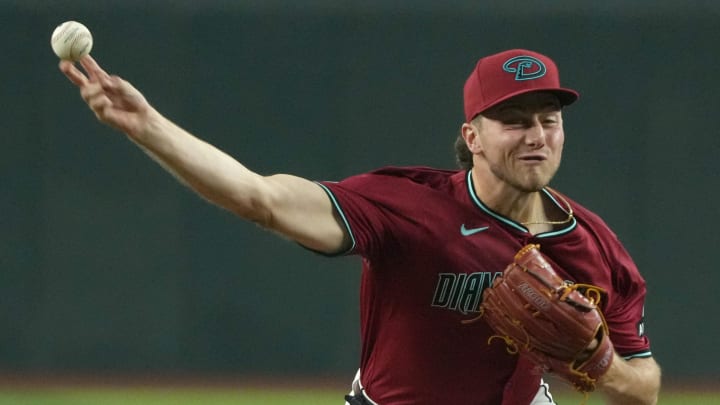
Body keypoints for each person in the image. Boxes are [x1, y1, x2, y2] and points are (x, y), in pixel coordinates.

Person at [59, 48, 661, 405]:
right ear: (472, 137)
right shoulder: (410, 208)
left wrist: (604, 365)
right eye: (513, 120)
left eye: (548, 120)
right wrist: (146, 127)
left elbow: (646, 386)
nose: (536, 135)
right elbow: (260, 198)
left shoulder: (594, 247)